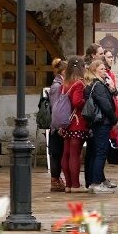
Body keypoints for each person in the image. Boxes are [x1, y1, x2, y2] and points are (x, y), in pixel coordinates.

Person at [84, 60, 118, 194]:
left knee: (97, 151)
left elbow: (112, 96)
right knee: (101, 152)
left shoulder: (97, 84)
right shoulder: (97, 85)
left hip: (98, 122)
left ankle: (97, 180)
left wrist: (111, 87)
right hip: (101, 121)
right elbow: (106, 105)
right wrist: (114, 119)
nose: (105, 71)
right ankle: (96, 182)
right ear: (94, 70)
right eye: (102, 69)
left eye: (105, 69)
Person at [59, 58, 89, 192]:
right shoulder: (79, 83)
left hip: (66, 121)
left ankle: (68, 185)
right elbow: (77, 102)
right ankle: (75, 185)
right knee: (75, 154)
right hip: (77, 122)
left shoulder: (65, 83)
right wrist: (87, 101)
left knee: (66, 153)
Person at [47, 58, 67, 192]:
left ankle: (58, 179)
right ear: (64, 71)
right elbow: (56, 107)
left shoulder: (61, 84)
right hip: (57, 125)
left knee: (59, 152)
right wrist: (59, 125)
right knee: (56, 153)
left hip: (58, 124)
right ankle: (55, 180)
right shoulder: (57, 86)